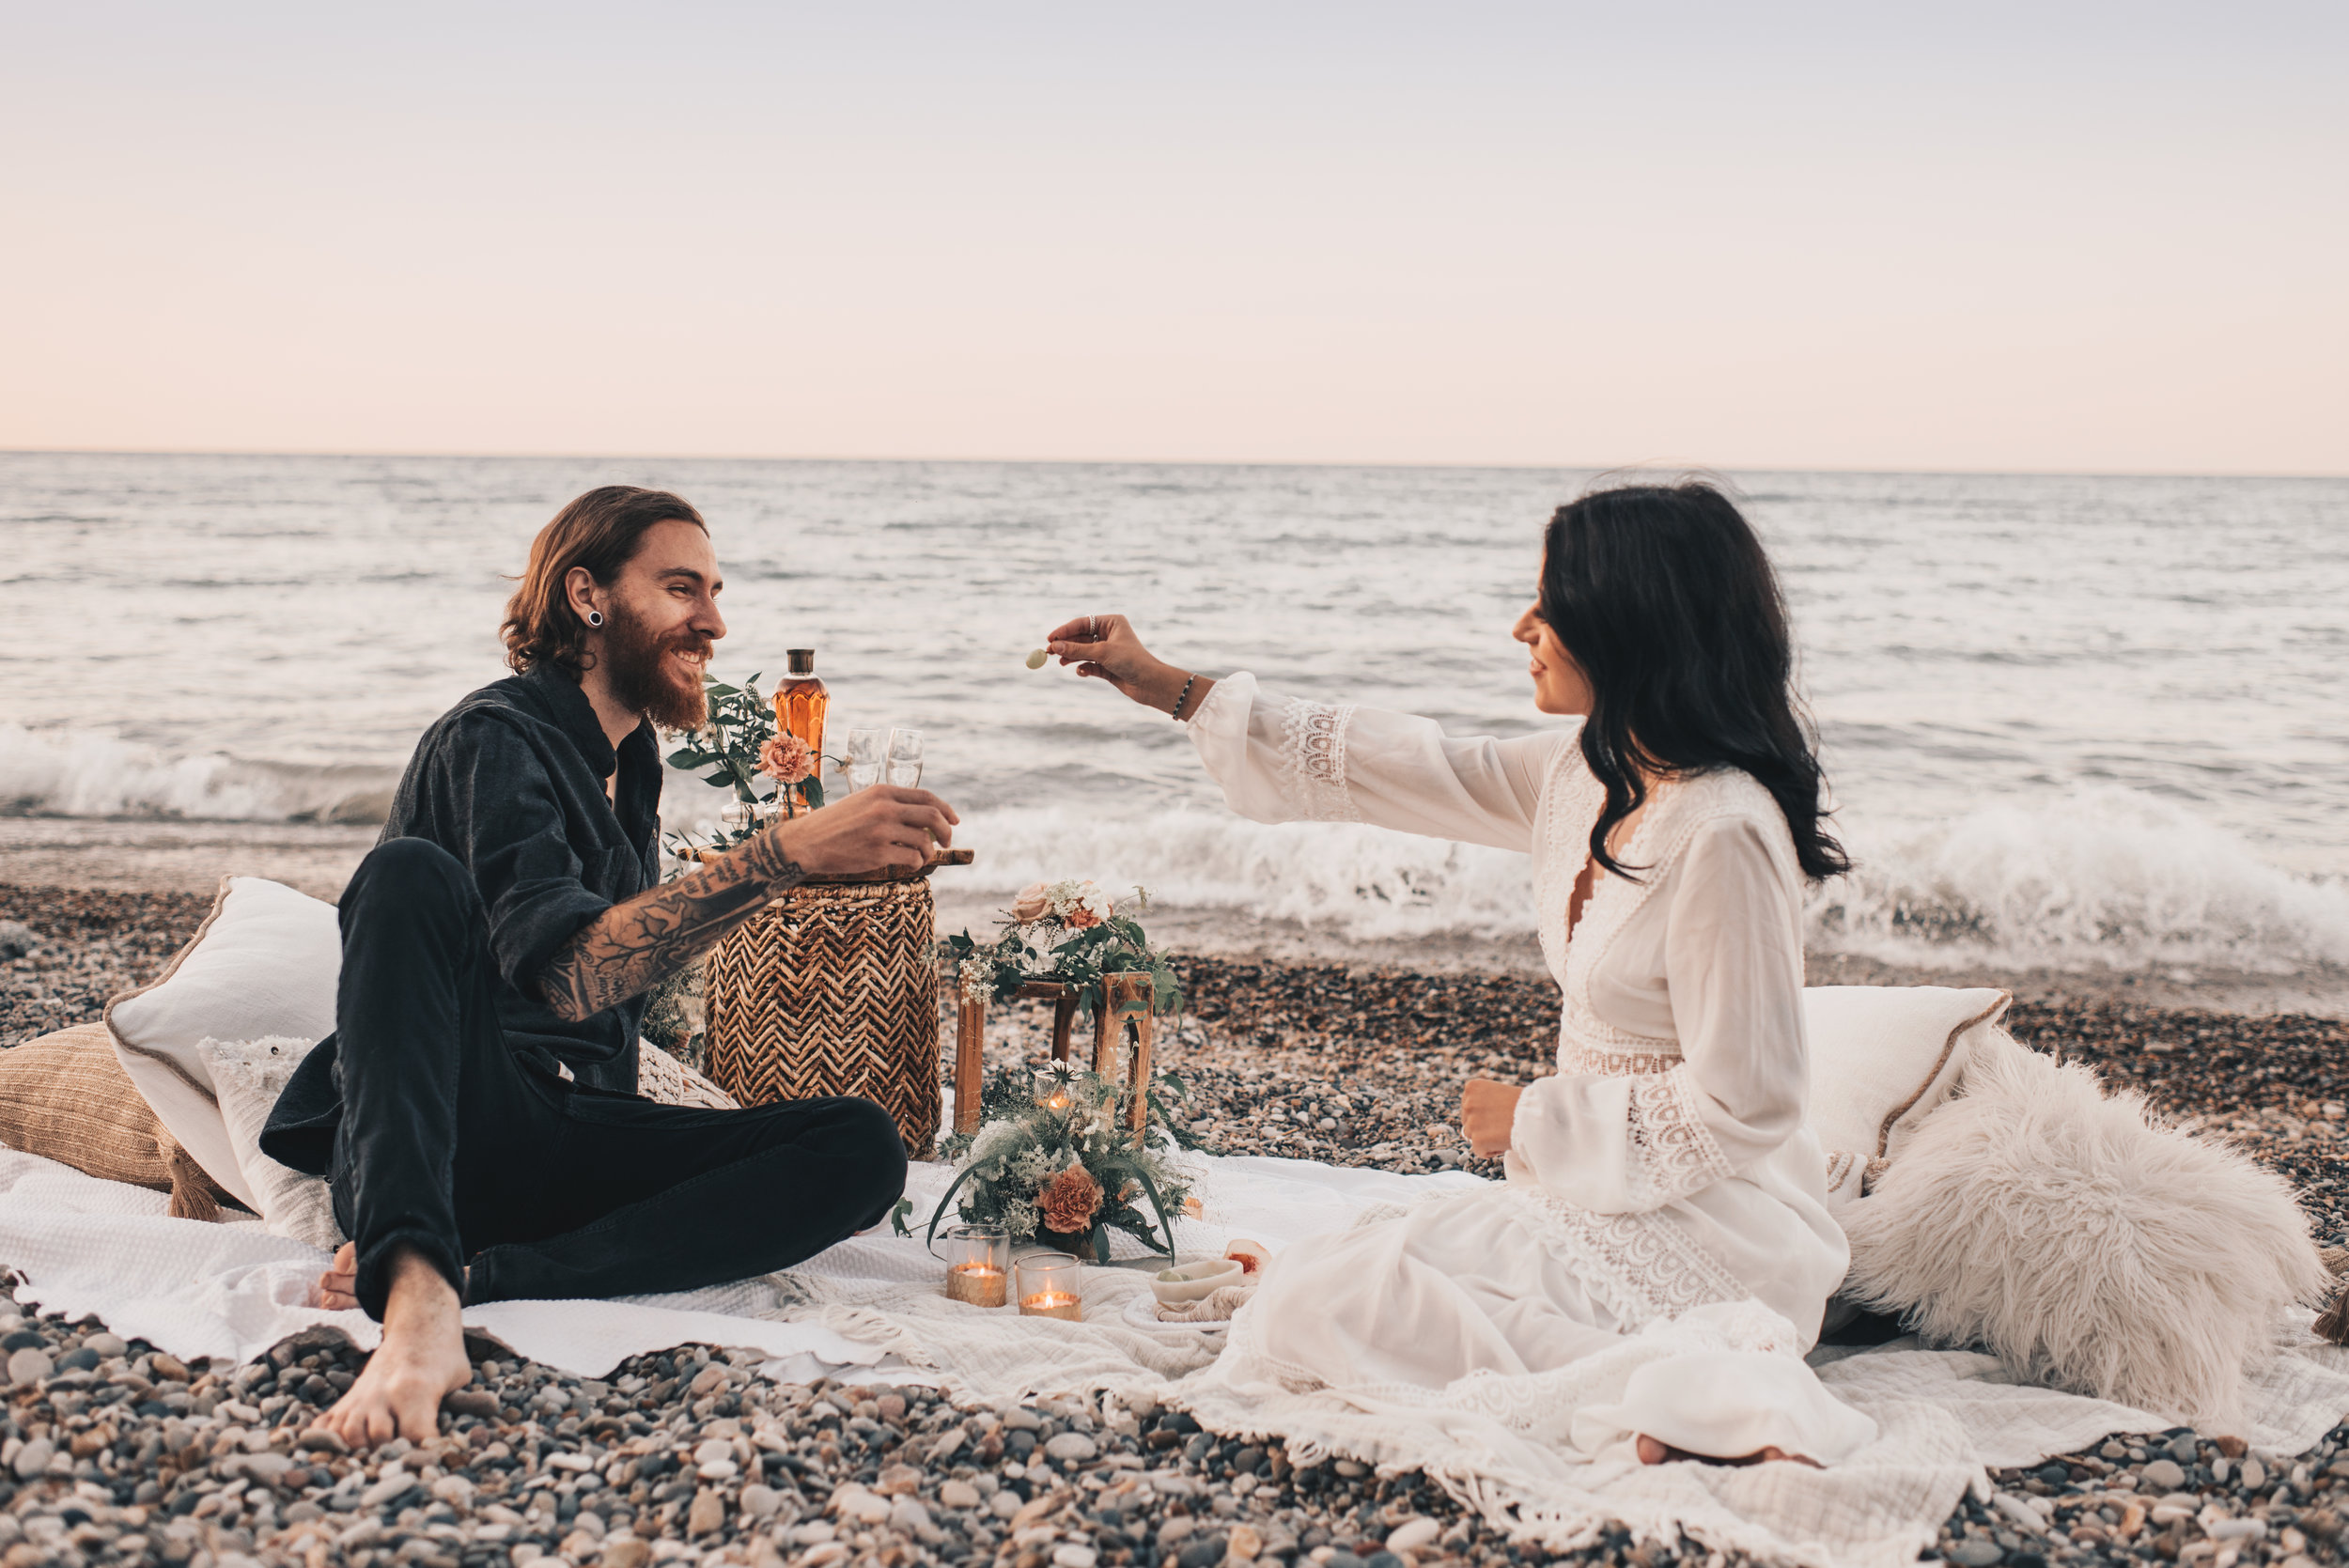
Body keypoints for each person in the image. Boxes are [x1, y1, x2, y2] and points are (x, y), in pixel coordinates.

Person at [1043, 479, 1875, 1467]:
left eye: (1550, 602)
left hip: (1718, 1231)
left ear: (1629, 618)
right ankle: (1669, 1392)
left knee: (1323, 1305)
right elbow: (1412, 765)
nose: (1524, 625)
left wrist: (1532, 1116)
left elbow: (1753, 1102)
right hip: (1599, 1189)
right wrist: (1172, 687)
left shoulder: (1725, 828)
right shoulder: (1597, 769)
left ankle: (1713, 1387)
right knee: (1322, 1282)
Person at [262, 485, 957, 1447]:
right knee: (403, 875)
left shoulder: (635, 771)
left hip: (574, 1136)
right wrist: (785, 854)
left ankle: (497, 1275)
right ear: (588, 597)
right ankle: (418, 1302)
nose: (712, 619)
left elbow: (616, 993)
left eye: (713, 591)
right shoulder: (492, 738)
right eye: (682, 588)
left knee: (862, 1146)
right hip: (457, 1126)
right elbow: (568, 976)